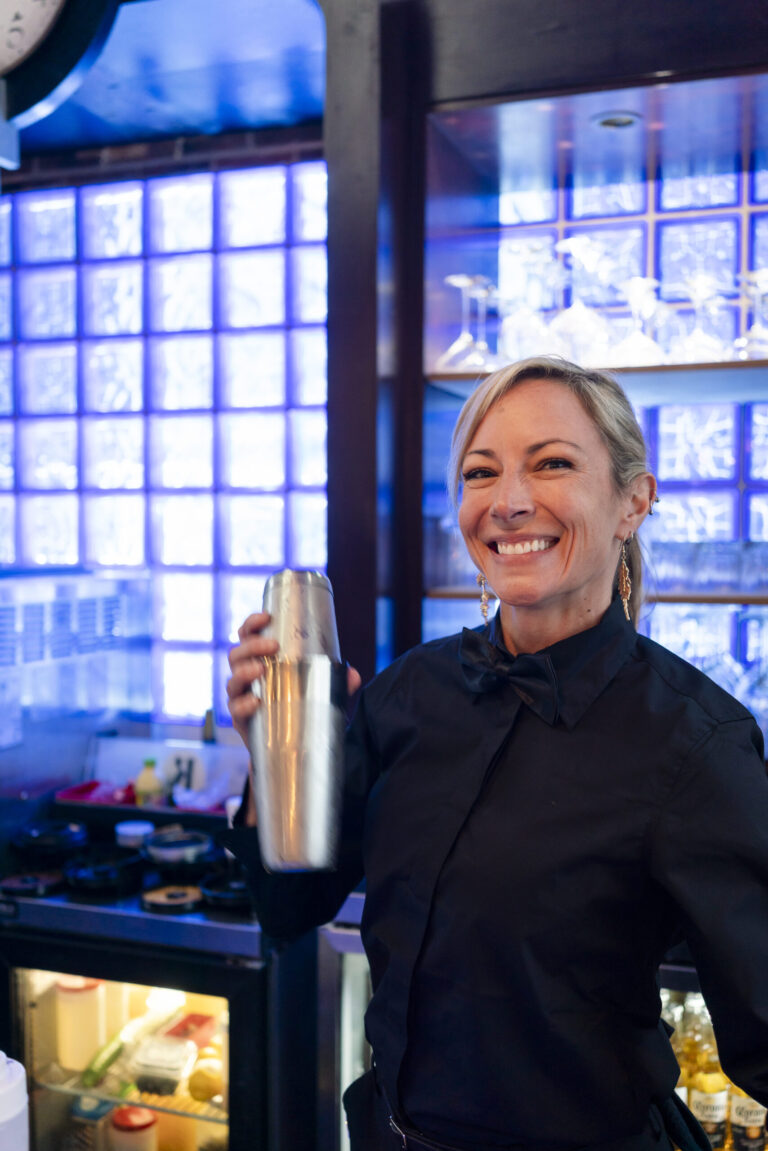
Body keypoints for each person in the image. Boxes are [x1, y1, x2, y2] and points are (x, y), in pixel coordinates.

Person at [223, 356, 768, 1151]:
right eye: (482, 473)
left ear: (633, 501)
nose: (509, 502)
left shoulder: (694, 743)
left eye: (551, 463)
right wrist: (268, 760)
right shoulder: (408, 692)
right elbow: (289, 906)